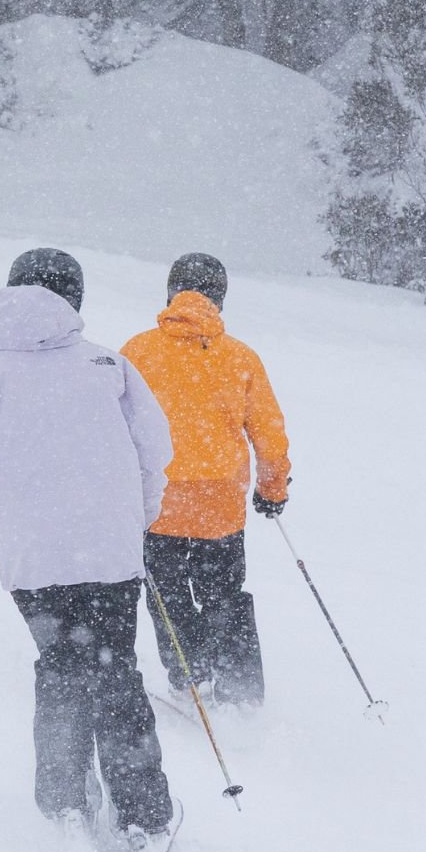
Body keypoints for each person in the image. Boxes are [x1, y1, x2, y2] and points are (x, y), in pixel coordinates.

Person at [0, 247, 178, 845]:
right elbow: (155, 451)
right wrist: (139, 519)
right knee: (115, 670)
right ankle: (141, 815)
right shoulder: (107, 365)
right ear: (73, 297)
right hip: (109, 553)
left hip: (32, 560)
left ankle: (65, 803)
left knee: (61, 668)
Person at [121, 252, 289, 707]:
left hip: (159, 503)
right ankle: (239, 686)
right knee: (225, 594)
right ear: (221, 298)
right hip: (220, 505)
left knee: (168, 594)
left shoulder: (137, 352)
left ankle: (188, 675)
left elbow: (117, 427)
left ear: (171, 292)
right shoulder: (240, 357)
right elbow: (270, 438)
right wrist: (272, 490)